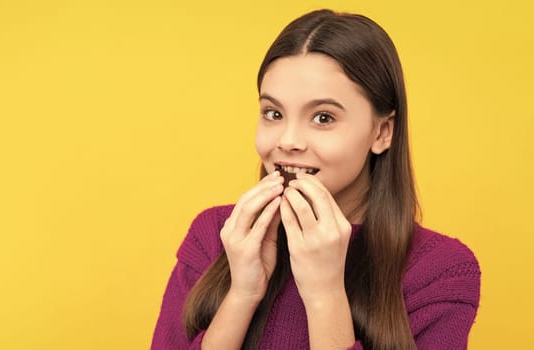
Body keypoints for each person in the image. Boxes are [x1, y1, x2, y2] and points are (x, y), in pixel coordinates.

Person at [151, 9, 480, 350]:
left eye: (323, 117)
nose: (287, 140)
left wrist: (325, 294)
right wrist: (242, 294)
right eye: (273, 114)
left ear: (382, 132)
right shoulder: (215, 237)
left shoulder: (441, 271)